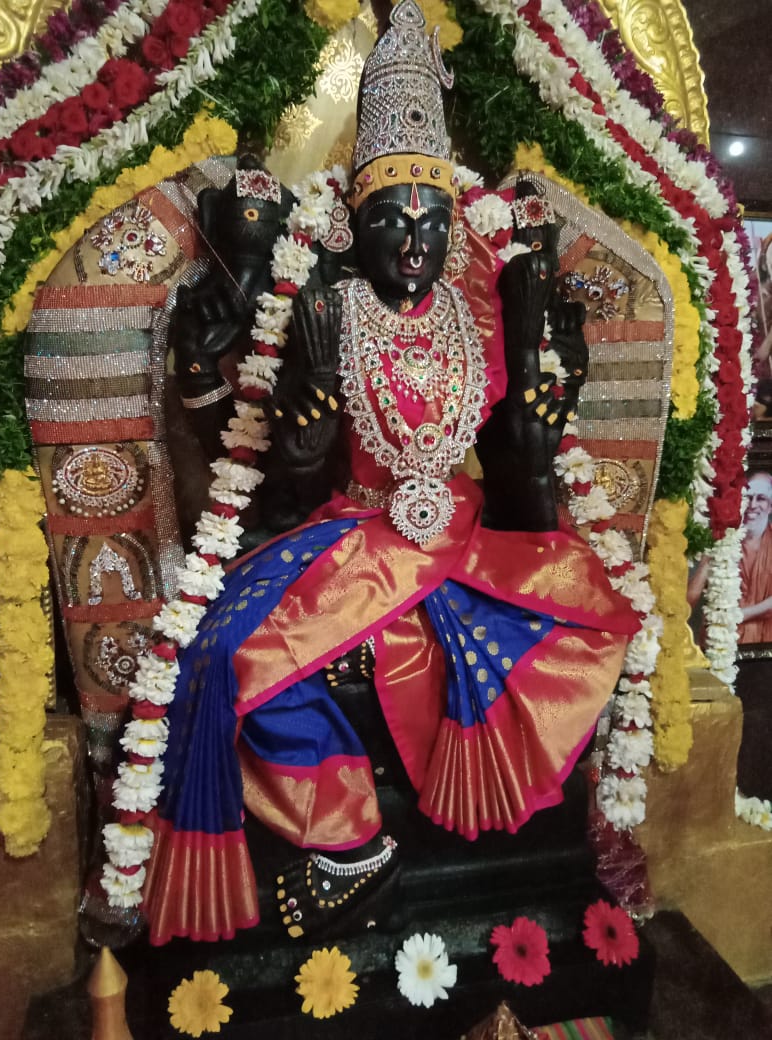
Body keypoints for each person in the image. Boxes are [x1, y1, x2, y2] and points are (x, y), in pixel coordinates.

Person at [141, 0, 639, 945]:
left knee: (584, 614)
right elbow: (282, 479)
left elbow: (517, 466)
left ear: (454, 228)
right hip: (352, 530)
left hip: (464, 534)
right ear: (352, 225)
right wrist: (305, 433)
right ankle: (348, 840)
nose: (414, 242)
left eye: (433, 221)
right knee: (230, 653)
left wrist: (535, 457)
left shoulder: (480, 317)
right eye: (391, 221)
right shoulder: (326, 310)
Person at [739, 471, 772, 644]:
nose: (752, 505)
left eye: (761, 498)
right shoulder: (725, 541)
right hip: (724, 640)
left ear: (770, 506)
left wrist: (740, 615)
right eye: (748, 497)